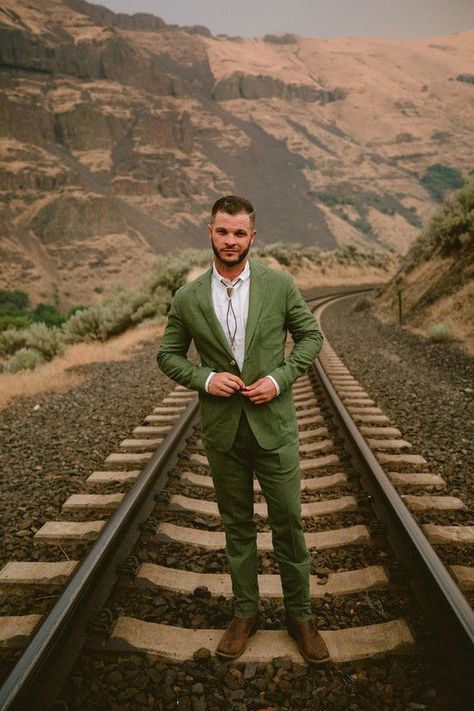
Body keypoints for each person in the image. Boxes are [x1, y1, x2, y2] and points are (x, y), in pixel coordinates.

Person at [157, 195, 329, 663]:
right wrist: (206, 378)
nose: (230, 240)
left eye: (239, 233)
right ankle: (245, 613)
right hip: (224, 432)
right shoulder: (188, 297)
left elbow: (311, 336)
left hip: (275, 428)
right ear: (209, 233)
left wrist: (279, 379)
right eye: (222, 232)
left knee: (289, 524)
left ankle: (300, 616)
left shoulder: (279, 285)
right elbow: (168, 355)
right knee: (236, 526)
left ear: (253, 237)